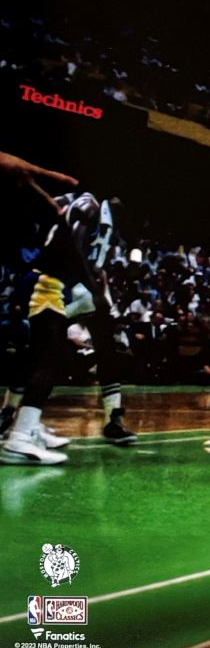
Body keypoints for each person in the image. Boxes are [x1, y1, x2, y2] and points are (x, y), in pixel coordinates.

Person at [1, 192, 113, 464]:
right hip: (50, 287)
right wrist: (92, 286)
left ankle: (28, 426)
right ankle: (20, 438)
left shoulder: (73, 203)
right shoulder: (89, 206)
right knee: (48, 362)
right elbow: (72, 247)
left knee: (46, 360)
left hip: (48, 284)